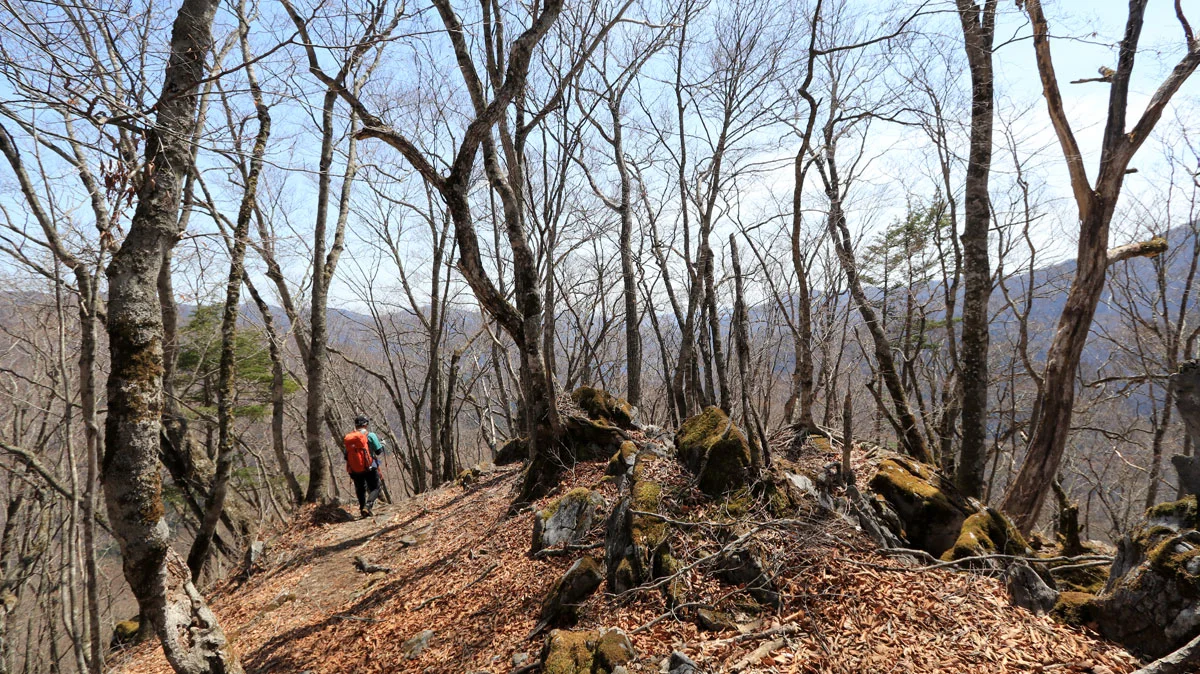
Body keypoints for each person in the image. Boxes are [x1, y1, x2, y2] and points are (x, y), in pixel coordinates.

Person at [343, 415, 385, 518]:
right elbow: (378, 451)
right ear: (365, 424)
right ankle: (368, 505)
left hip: (354, 469)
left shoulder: (350, 438)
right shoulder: (370, 435)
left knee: (360, 488)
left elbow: (346, 456)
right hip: (369, 466)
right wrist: (382, 444)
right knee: (375, 488)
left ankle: (362, 509)